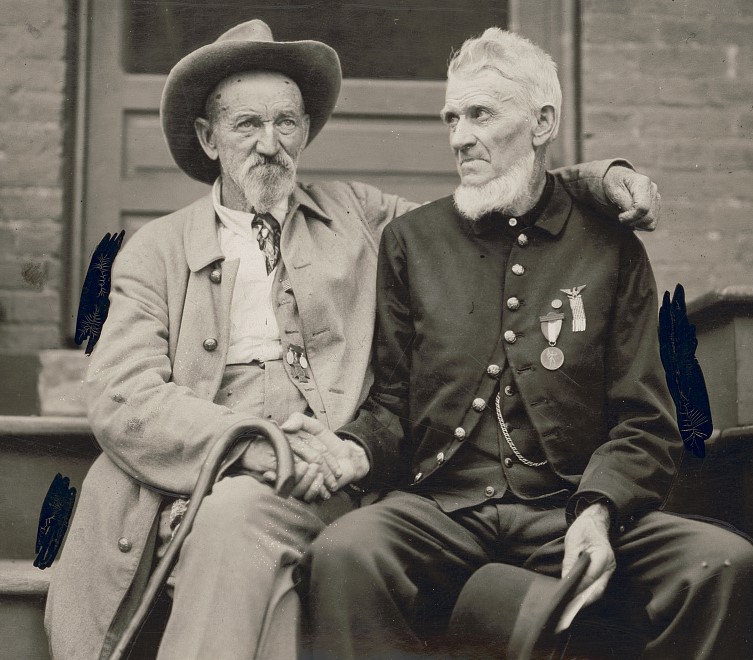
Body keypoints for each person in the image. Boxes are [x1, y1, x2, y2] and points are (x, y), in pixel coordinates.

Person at [45, 19, 662, 660]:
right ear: (208, 138)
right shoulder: (157, 251)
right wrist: (251, 447)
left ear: (305, 131)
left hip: (326, 474)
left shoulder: (360, 216)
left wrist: (598, 181)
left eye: (286, 123)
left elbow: (492, 203)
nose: (269, 144)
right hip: (189, 477)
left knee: (243, 528)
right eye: (246, 125)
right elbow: (122, 395)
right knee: (249, 548)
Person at [297, 28, 753, 659]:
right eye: (451, 118)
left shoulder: (610, 247)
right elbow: (392, 405)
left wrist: (597, 510)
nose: (459, 137)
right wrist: (354, 450)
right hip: (441, 509)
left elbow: (647, 423)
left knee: (722, 564)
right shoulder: (411, 241)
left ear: (543, 122)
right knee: (346, 552)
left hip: (570, 504)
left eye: (481, 114)